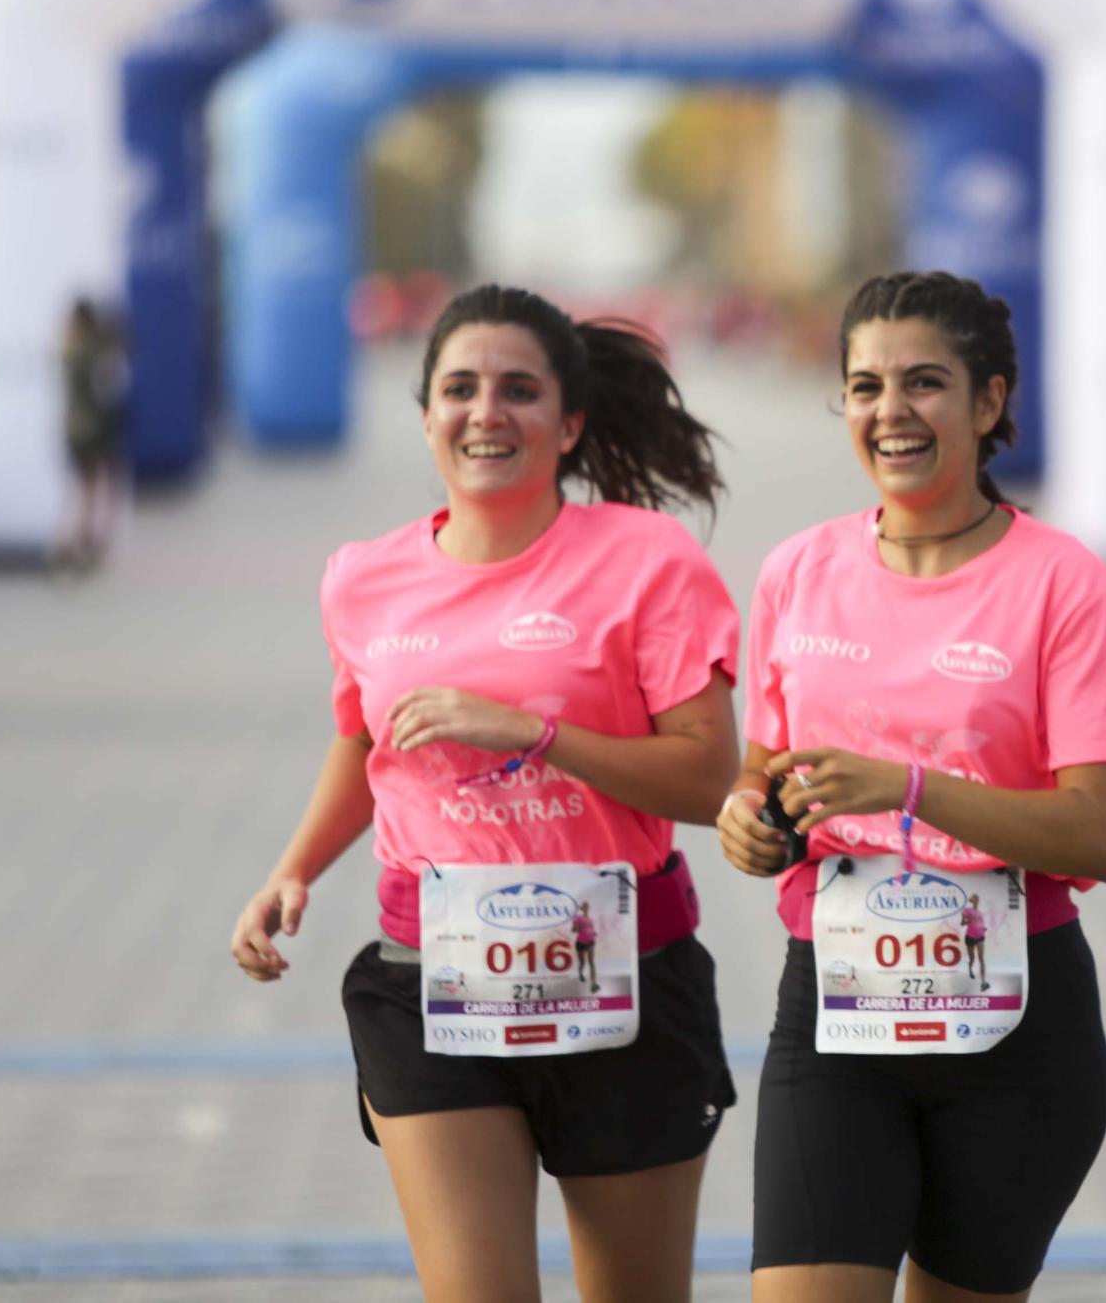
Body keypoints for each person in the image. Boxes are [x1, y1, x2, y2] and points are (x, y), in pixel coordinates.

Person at [230, 283, 741, 1303]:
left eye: (519, 389)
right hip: (429, 984)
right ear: (425, 417)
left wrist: (531, 732)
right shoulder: (362, 579)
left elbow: (705, 775)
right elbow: (365, 742)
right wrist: (292, 870)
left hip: (626, 979)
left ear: (570, 421)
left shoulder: (648, 562)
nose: (486, 412)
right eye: (459, 389)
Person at [717, 271, 1106, 1302]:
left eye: (923, 383)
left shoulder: (1062, 580)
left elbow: (1098, 837)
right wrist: (748, 821)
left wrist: (909, 788)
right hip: (832, 1015)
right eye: (864, 386)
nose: (889, 412)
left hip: (1016, 1035)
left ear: (987, 402)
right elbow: (760, 774)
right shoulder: (795, 570)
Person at [59, 298, 126, 570]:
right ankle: (84, 540)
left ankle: (82, 539)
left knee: (84, 487)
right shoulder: (89, 353)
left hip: (74, 428)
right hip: (92, 429)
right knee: (92, 488)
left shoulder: (69, 349)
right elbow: (108, 386)